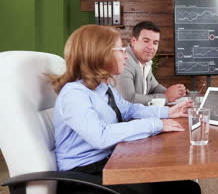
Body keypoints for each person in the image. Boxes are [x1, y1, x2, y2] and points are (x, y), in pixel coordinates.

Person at [50, 25, 201, 194]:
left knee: (188, 187)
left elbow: (129, 110)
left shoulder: (104, 89)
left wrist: (167, 112)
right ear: (100, 53)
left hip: (109, 162)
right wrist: (157, 124)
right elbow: (101, 136)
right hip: (83, 177)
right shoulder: (74, 93)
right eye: (121, 49)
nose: (126, 56)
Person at [116, 21, 186, 105]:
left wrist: (175, 93)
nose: (151, 47)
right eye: (146, 41)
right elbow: (129, 99)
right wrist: (166, 97)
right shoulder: (124, 61)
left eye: (155, 43)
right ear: (133, 41)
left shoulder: (145, 61)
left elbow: (154, 87)